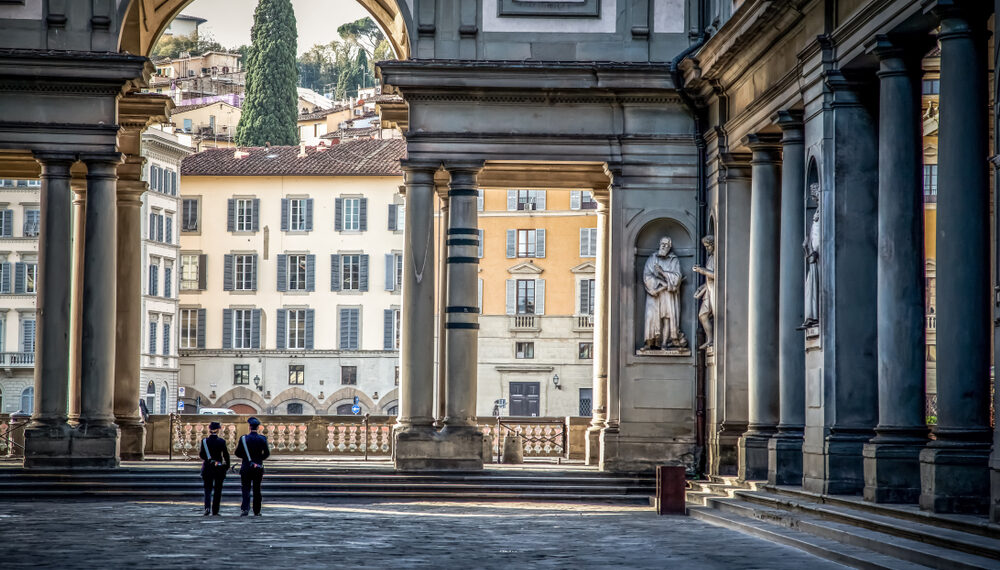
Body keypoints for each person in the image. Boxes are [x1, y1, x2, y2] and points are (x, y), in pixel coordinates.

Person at [643, 236, 688, 350]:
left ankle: (664, 343)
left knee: (667, 317)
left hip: (668, 294)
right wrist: (661, 282)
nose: (664, 246)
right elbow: (647, 276)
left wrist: (662, 272)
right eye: (663, 244)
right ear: (659, 244)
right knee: (651, 317)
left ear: (670, 247)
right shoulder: (652, 258)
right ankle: (650, 342)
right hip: (655, 294)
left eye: (667, 245)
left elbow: (677, 277)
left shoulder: (674, 260)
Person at [235, 416, 270, 516]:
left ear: (249, 427)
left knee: (245, 488)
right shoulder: (262, 439)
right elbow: (267, 453)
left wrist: (246, 458)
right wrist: (259, 459)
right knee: (257, 489)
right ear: (258, 427)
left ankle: (245, 509)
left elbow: (237, 453)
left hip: (246, 466)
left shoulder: (243, 439)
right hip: (258, 467)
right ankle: (257, 511)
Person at [198, 421, 230, 516]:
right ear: (218, 430)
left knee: (207, 489)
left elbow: (202, 455)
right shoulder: (221, 441)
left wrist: (209, 459)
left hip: (208, 467)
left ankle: (207, 508)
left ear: (209, 430)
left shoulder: (204, 441)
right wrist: (227, 466)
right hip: (218, 468)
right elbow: (226, 455)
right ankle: (215, 510)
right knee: (217, 490)